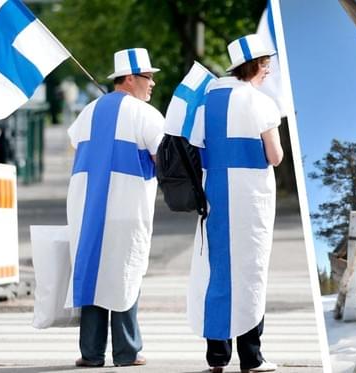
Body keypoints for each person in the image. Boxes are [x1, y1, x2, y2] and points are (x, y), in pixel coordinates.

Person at [186, 34, 283, 373]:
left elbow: (196, 150)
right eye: (267, 63)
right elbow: (275, 155)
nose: (269, 69)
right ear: (255, 66)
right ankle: (252, 358)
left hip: (214, 192)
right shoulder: (260, 102)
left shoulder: (205, 100)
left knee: (218, 271)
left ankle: (216, 358)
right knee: (251, 272)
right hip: (251, 196)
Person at [65, 48, 164, 367]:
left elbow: (74, 146)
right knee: (125, 273)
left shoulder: (88, 111)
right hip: (126, 204)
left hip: (87, 205)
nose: (153, 84)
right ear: (131, 78)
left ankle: (90, 353)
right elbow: (162, 159)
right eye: (149, 77)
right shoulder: (147, 114)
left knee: (93, 273)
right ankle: (127, 351)